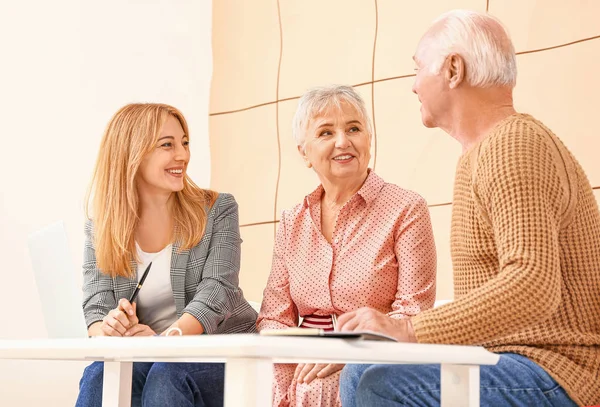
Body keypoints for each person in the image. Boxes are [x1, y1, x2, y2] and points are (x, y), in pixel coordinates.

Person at [338, 9, 600, 407]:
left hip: (559, 369)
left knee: (381, 384)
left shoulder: (514, 144)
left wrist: (407, 331)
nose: (413, 86)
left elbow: (532, 285)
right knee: (361, 371)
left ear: (453, 70)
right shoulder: (480, 154)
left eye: (418, 69)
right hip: (506, 359)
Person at [256, 85, 437, 407]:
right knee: (261, 382)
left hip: (373, 359)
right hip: (302, 357)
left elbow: (414, 311)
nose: (343, 141)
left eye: (353, 128)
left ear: (369, 138)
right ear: (304, 152)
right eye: (326, 132)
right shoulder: (292, 221)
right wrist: (293, 363)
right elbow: (274, 318)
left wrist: (348, 348)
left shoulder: (406, 208)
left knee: (323, 384)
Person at [76, 103, 258, 407]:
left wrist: (162, 342)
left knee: (166, 374)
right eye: (167, 145)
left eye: (184, 143)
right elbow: (96, 307)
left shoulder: (218, 209)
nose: (183, 155)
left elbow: (217, 293)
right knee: (100, 375)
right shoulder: (102, 227)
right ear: (132, 153)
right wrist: (109, 328)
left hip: (221, 353)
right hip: (151, 355)